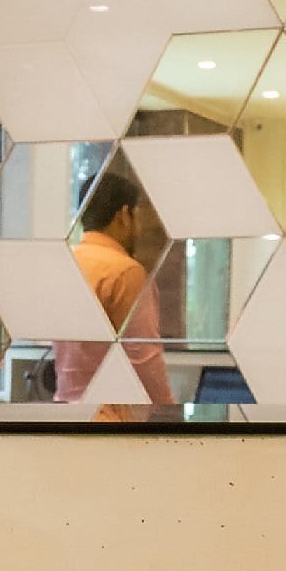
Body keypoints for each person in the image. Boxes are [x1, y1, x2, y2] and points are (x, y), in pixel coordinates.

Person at [61, 161, 172, 404]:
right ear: (123, 215)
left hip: (66, 411)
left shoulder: (68, 265)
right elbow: (144, 359)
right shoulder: (124, 272)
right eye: (138, 216)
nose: (140, 229)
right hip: (112, 416)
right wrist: (168, 413)